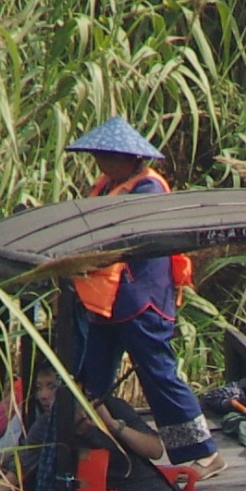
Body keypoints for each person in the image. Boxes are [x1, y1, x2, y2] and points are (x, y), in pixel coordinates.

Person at [60, 118, 216, 466]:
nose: (104, 164)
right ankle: (88, 441)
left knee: (157, 372)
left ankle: (202, 454)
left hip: (142, 299)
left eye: (111, 157)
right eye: (100, 157)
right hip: (107, 301)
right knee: (94, 372)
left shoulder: (148, 188)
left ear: (132, 158)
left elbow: (128, 235)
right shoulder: (104, 186)